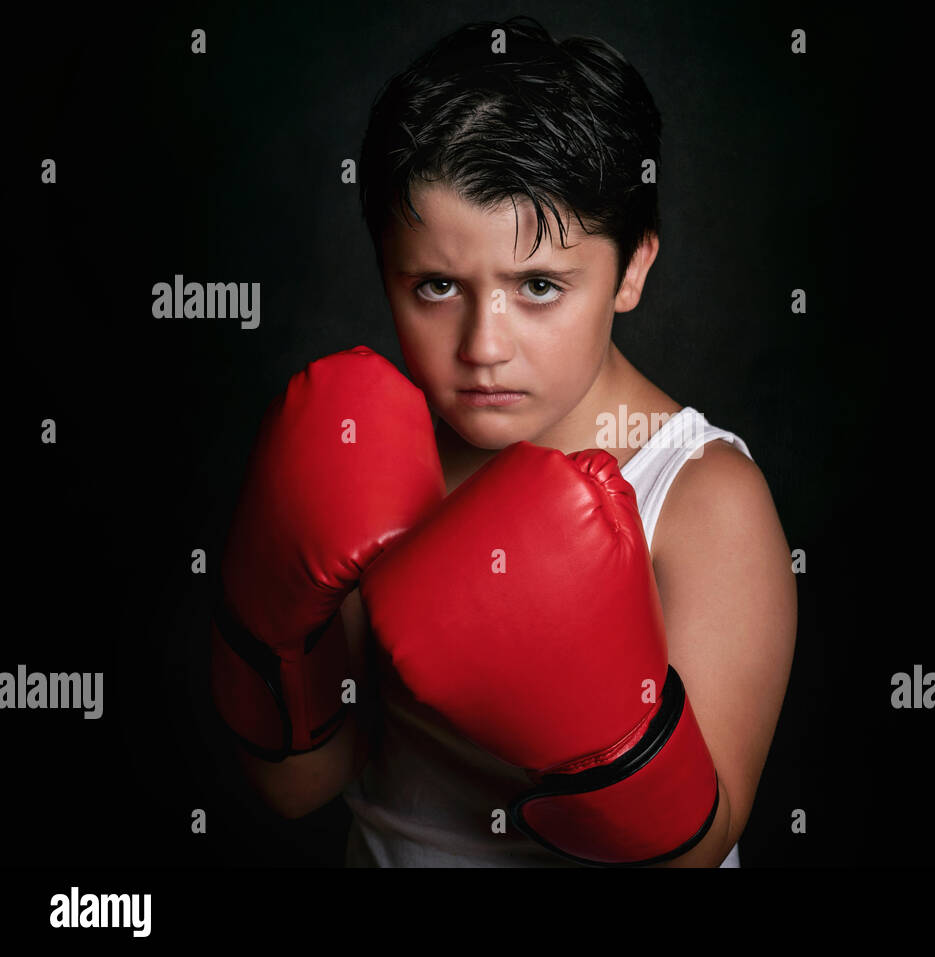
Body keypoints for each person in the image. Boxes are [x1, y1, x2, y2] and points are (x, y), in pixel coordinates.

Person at [218, 16, 796, 868]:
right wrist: (273, 629)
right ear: (386, 269)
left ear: (632, 268)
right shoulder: (367, 467)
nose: (484, 344)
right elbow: (297, 786)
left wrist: (602, 736)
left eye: (538, 286)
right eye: (438, 285)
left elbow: (694, 851)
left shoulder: (701, 495)